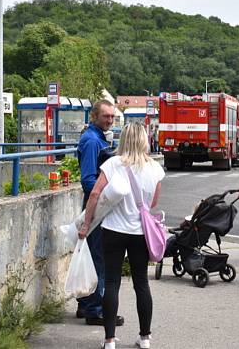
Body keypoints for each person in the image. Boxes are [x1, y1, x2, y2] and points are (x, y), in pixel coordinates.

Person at [79, 123, 163, 349]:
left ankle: (109, 340)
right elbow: (153, 203)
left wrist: (86, 224)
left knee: (113, 283)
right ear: (145, 139)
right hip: (140, 233)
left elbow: (95, 193)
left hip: (114, 230)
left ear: (123, 139)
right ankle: (145, 338)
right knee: (141, 283)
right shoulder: (155, 168)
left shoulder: (113, 164)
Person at [75, 100, 122, 327]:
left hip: (95, 203)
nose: (110, 120)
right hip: (96, 205)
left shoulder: (98, 137)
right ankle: (95, 310)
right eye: (106, 116)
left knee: (92, 255)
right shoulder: (93, 141)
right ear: (94, 116)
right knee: (98, 258)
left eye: (112, 117)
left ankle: (85, 304)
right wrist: (107, 193)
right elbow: (88, 180)